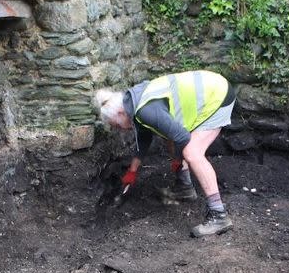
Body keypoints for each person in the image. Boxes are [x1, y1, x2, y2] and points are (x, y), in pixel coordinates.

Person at [94, 70, 236, 237]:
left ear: (120, 113)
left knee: (191, 152)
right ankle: (185, 188)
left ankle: (219, 214)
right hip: (210, 89)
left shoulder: (145, 111)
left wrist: (178, 159)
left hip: (216, 96)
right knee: (169, 135)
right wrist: (132, 171)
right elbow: (144, 138)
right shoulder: (133, 102)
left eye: (115, 125)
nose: (118, 129)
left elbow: (182, 137)